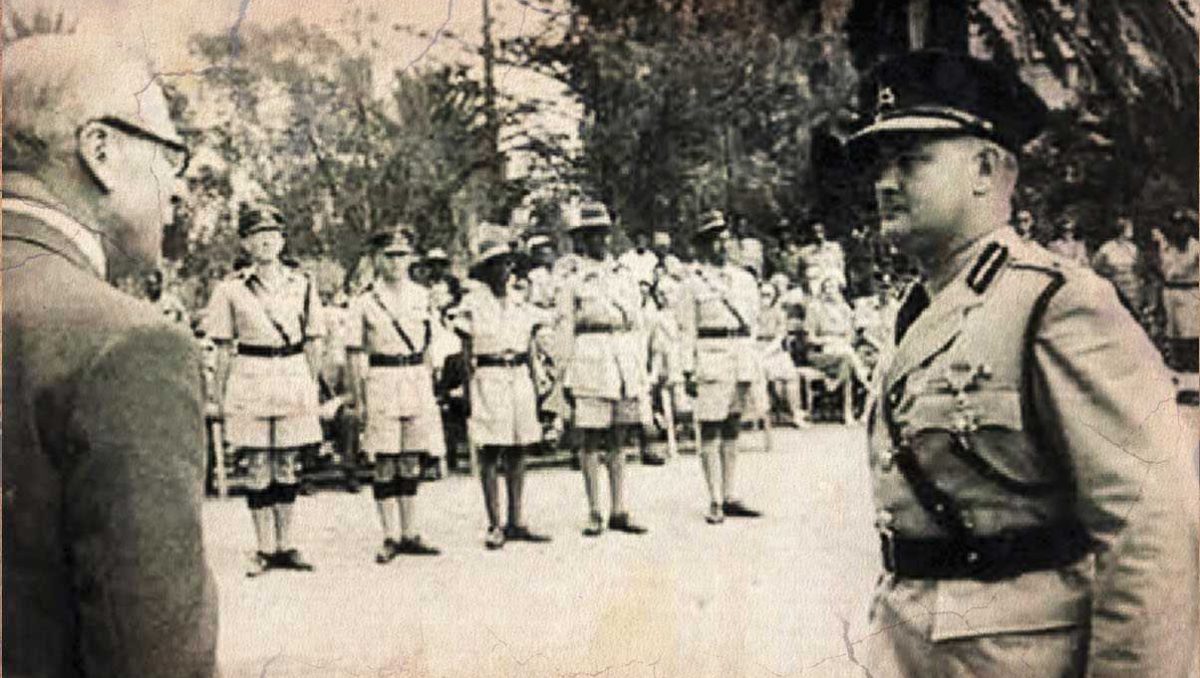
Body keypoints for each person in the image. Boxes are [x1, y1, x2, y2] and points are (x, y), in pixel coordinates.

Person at [847, 49, 1199, 676]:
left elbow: (1150, 525)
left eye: (911, 160)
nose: (884, 182)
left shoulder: (1057, 305)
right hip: (911, 646)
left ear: (986, 168)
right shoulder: (919, 310)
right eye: (880, 162)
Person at [3, 33, 218, 676]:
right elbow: (152, 655)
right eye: (170, 157)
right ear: (100, 150)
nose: (177, 192)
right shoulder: (124, 343)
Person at [203, 203, 325, 576]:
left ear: (283, 240)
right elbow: (222, 347)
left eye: (272, 235)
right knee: (258, 464)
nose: (266, 241)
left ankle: (286, 544)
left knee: (288, 462)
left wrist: (310, 386)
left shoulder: (302, 284)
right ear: (245, 243)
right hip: (250, 375)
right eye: (257, 236)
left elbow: (314, 341)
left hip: (291, 374)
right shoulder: (230, 290)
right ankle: (264, 546)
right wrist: (217, 397)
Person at [450, 226, 553, 549]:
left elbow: (534, 343)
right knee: (491, 450)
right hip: (489, 377)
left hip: (518, 375)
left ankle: (516, 519)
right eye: (496, 264)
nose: (503, 270)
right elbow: (466, 353)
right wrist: (468, 392)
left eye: (507, 264)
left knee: (518, 449)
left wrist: (539, 383)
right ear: (485, 271)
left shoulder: (521, 302)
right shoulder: (473, 304)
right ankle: (495, 522)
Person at [555, 202, 652, 537]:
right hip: (590, 356)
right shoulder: (571, 279)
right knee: (591, 438)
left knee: (619, 436)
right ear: (580, 240)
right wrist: (563, 374)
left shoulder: (624, 274)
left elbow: (638, 324)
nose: (599, 241)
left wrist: (640, 368)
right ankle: (594, 510)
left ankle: (619, 508)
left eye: (603, 234)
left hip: (622, 356)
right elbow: (565, 328)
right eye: (591, 235)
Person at [345, 228, 443, 562]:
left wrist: (430, 384)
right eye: (389, 255)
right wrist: (359, 399)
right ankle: (389, 534)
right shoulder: (364, 301)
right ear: (376, 259)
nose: (397, 262)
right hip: (382, 378)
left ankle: (410, 531)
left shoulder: (422, 296)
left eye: (403, 255)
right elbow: (354, 353)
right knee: (385, 458)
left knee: (411, 456)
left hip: (415, 376)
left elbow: (430, 344)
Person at [679, 210, 763, 524]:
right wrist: (686, 369)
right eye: (714, 240)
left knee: (733, 424)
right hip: (710, 353)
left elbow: (753, 322)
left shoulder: (744, 280)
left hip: (739, 353)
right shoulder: (692, 284)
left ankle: (729, 494)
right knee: (710, 426)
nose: (722, 245)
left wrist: (751, 359)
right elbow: (686, 329)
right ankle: (714, 498)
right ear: (701, 246)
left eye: (724, 239)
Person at [1158, 209, 1200, 402]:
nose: (1180, 230)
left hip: (1191, 294)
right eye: (1176, 226)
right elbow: (1165, 272)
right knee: (1175, 344)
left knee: (1192, 342)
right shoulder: (1167, 248)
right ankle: (1182, 387)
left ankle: (1194, 387)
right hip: (1171, 295)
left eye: (1183, 226)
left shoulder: (1196, 248)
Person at [1092, 214, 1146, 318]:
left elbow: (1139, 269)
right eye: (1129, 227)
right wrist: (1108, 273)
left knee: (1132, 316)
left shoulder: (1133, 248)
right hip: (1114, 287)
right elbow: (1095, 267)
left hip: (1132, 289)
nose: (1132, 230)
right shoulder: (1107, 248)